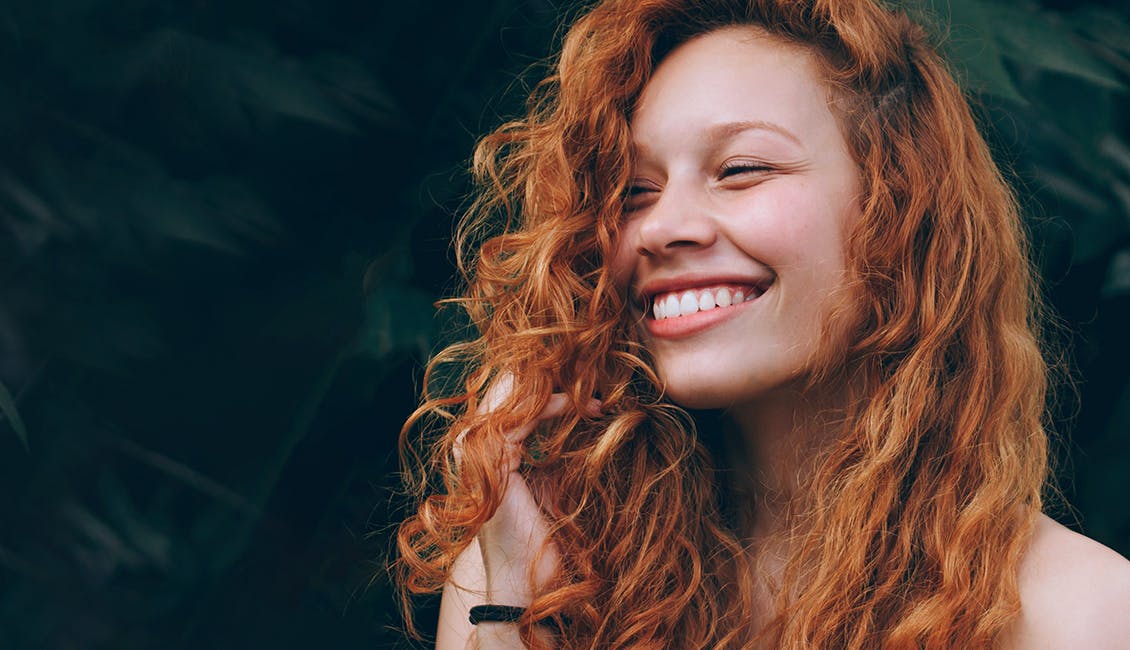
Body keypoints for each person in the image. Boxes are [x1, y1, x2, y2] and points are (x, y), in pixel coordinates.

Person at [395, 0, 1130, 647]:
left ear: (902, 216)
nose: (661, 228)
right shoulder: (521, 568)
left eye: (741, 169)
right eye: (634, 190)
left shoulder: (1081, 615)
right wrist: (509, 612)